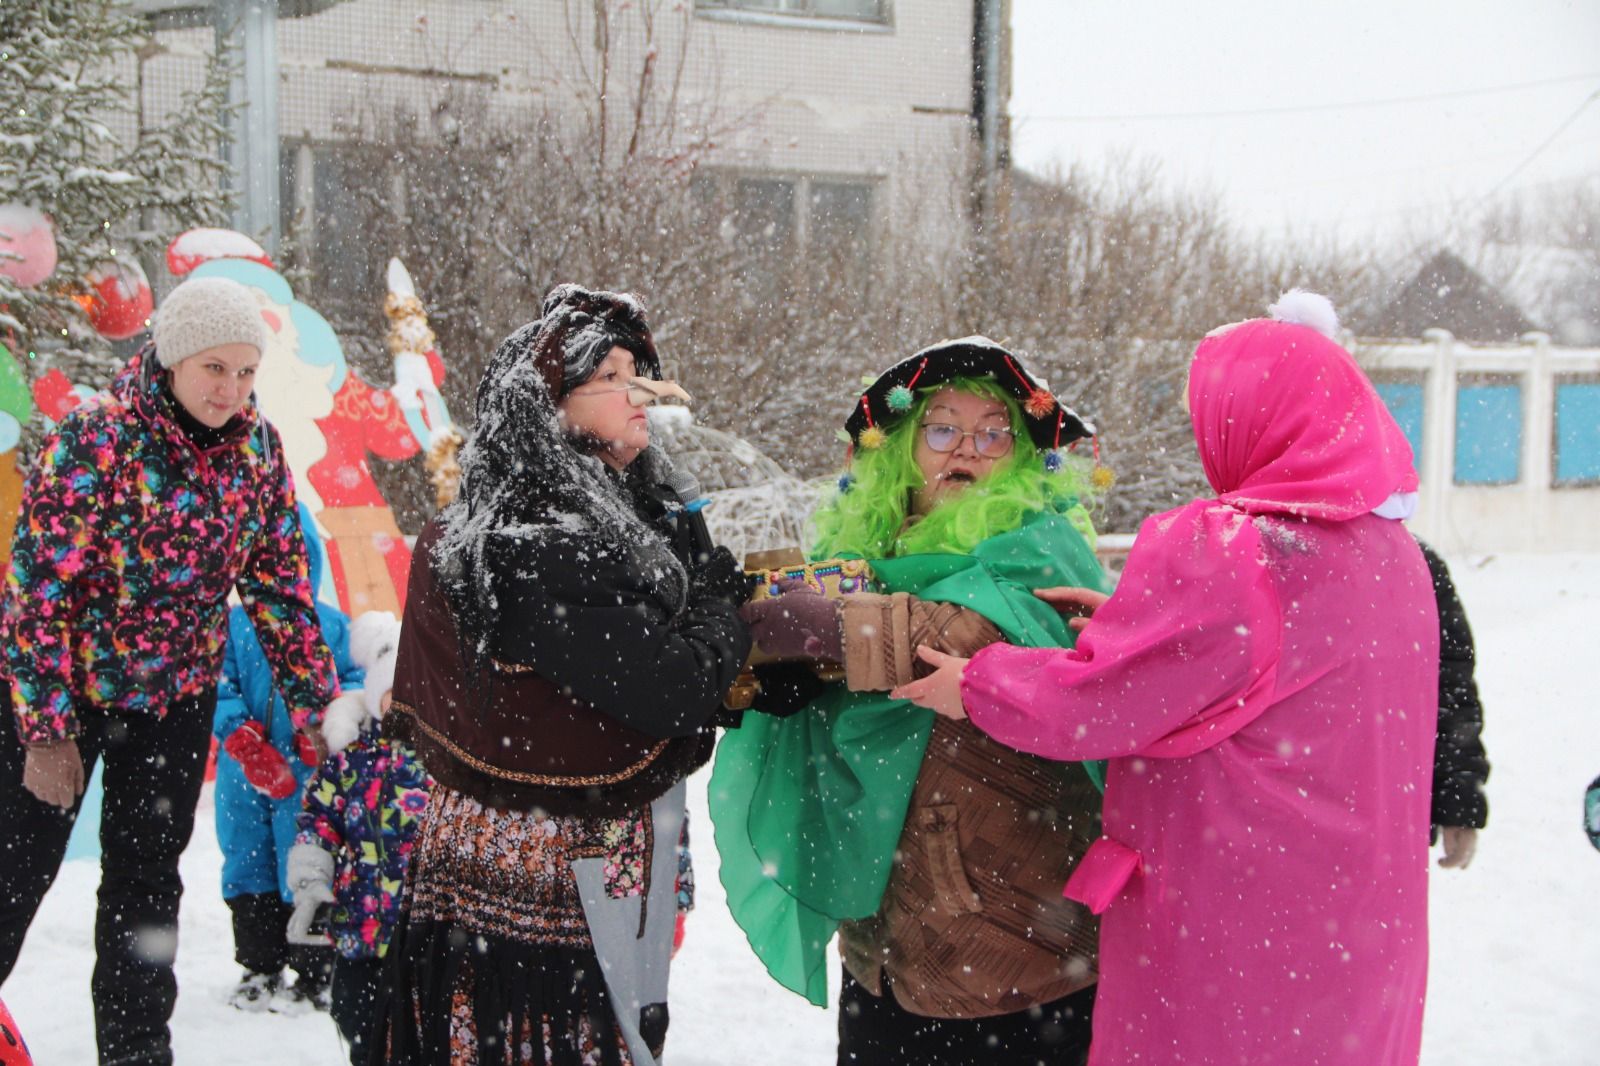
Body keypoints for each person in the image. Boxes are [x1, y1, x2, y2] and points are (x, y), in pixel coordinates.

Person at [895, 292, 1438, 1066]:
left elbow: (1099, 702)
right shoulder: (1393, 555)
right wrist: (1133, 621)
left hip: (1237, 934)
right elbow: (1263, 671)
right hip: (1353, 938)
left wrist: (980, 684)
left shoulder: (1232, 547)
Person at [372, 284, 751, 1065]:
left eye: (639, 372)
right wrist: (723, 599)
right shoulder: (536, 538)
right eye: (611, 377)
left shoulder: (600, 505)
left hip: (564, 846)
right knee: (551, 1039)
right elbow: (671, 684)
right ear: (548, 409)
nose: (640, 390)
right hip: (546, 867)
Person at [712, 337, 1107, 1065]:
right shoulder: (870, 561)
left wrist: (831, 629)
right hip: (888, 950)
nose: (970, 448)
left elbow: (976, 636)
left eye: (995, 431)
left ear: (1022, 455)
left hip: (1016, 962)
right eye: (943, 427)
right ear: (901, 449)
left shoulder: (1043, 548)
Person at [0, 274, 340, 1065]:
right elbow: (34, 593)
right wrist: (48, 735)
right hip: (66, 698)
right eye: (213, 368)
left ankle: (136, 1051)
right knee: (16, 874)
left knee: (147, 888)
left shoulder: (257, 450)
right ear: (172, 359)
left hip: (173, 703)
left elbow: (281, 590)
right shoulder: (96, 441)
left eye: (245, 371)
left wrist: (315, 706)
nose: (230, 389)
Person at [213, 501, 366, 1013]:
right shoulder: (233, 625)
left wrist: (328, 721)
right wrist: (239, 736)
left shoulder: (332, 625)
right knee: (247, 864)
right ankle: (258, 966)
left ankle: (315, 971)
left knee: (309, 865)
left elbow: (354, 684)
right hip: (245, 777)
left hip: (311, 777)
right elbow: (217, 681)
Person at [287, 609, 430, 1065]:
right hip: (361, 925)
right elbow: (318, 820)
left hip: (426, 930)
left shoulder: (444, 761)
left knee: (424, 1030)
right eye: (390, 695)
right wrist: (312, 883)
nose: (399, 705)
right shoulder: (350, 759)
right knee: (358, 1018)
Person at [1418, 539, 1491, 870]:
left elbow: (1451, 685)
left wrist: (1458, 797)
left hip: (1386, 818)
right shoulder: (1255, 544)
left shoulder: (1415, 562)